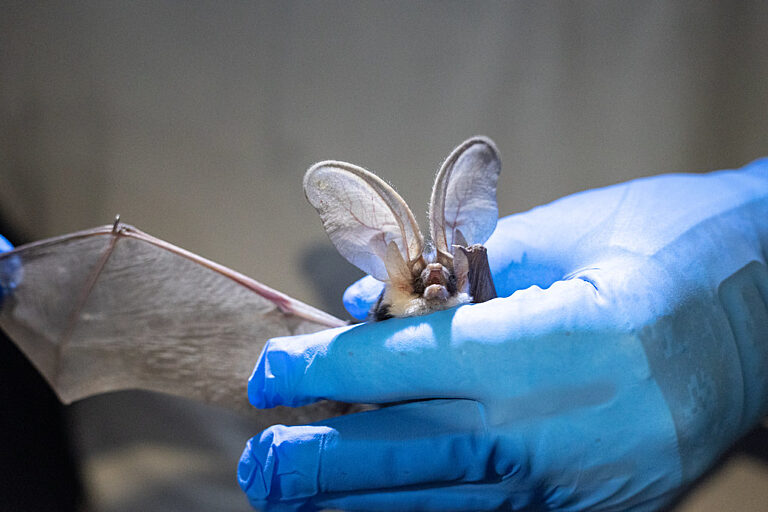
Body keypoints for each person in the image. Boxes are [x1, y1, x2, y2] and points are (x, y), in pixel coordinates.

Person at [238, 159, 768, 511]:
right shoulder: (387, 308)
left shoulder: (480, 296)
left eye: (443, 272)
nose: (435, 280)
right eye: (421, 279)